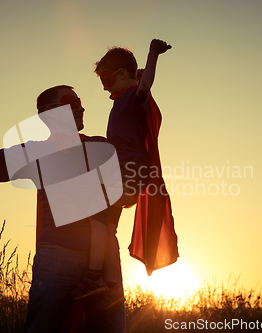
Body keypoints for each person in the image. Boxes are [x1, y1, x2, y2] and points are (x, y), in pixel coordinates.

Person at [0, 85, 126, 333]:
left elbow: (128, 194)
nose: (81, 107)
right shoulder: (35, 152)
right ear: (49, 113)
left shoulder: (101, 146)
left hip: (105, 257)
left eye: (80, 101)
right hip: (56, 259)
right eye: (71, 102)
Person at [70, 39, 179, 306]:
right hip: (123, 172)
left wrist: (152, 54)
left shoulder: (133, 97)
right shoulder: (123, 100)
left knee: (95, 220)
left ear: (120, 74)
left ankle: (93, 276)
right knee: (107, 225)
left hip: (127, 171)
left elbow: (144, 85)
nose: (105, 87)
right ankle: (108, 283)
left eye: (106, 80)